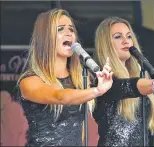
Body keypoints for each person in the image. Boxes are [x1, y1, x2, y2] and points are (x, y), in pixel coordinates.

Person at [16, 9, 113, 146]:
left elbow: (80, 130)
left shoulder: (80, 80)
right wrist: (97, 91)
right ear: (45, 37)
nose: (68, 33)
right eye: (60, 29)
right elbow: (60, 97)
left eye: (71, 30)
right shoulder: (30, 81)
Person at [92, 17, 154, 146]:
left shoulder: (140, 75)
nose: (125, 41)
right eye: (118, 37)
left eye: (129, 36)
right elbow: (128, 86)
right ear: (106, 43)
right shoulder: (103, 80)